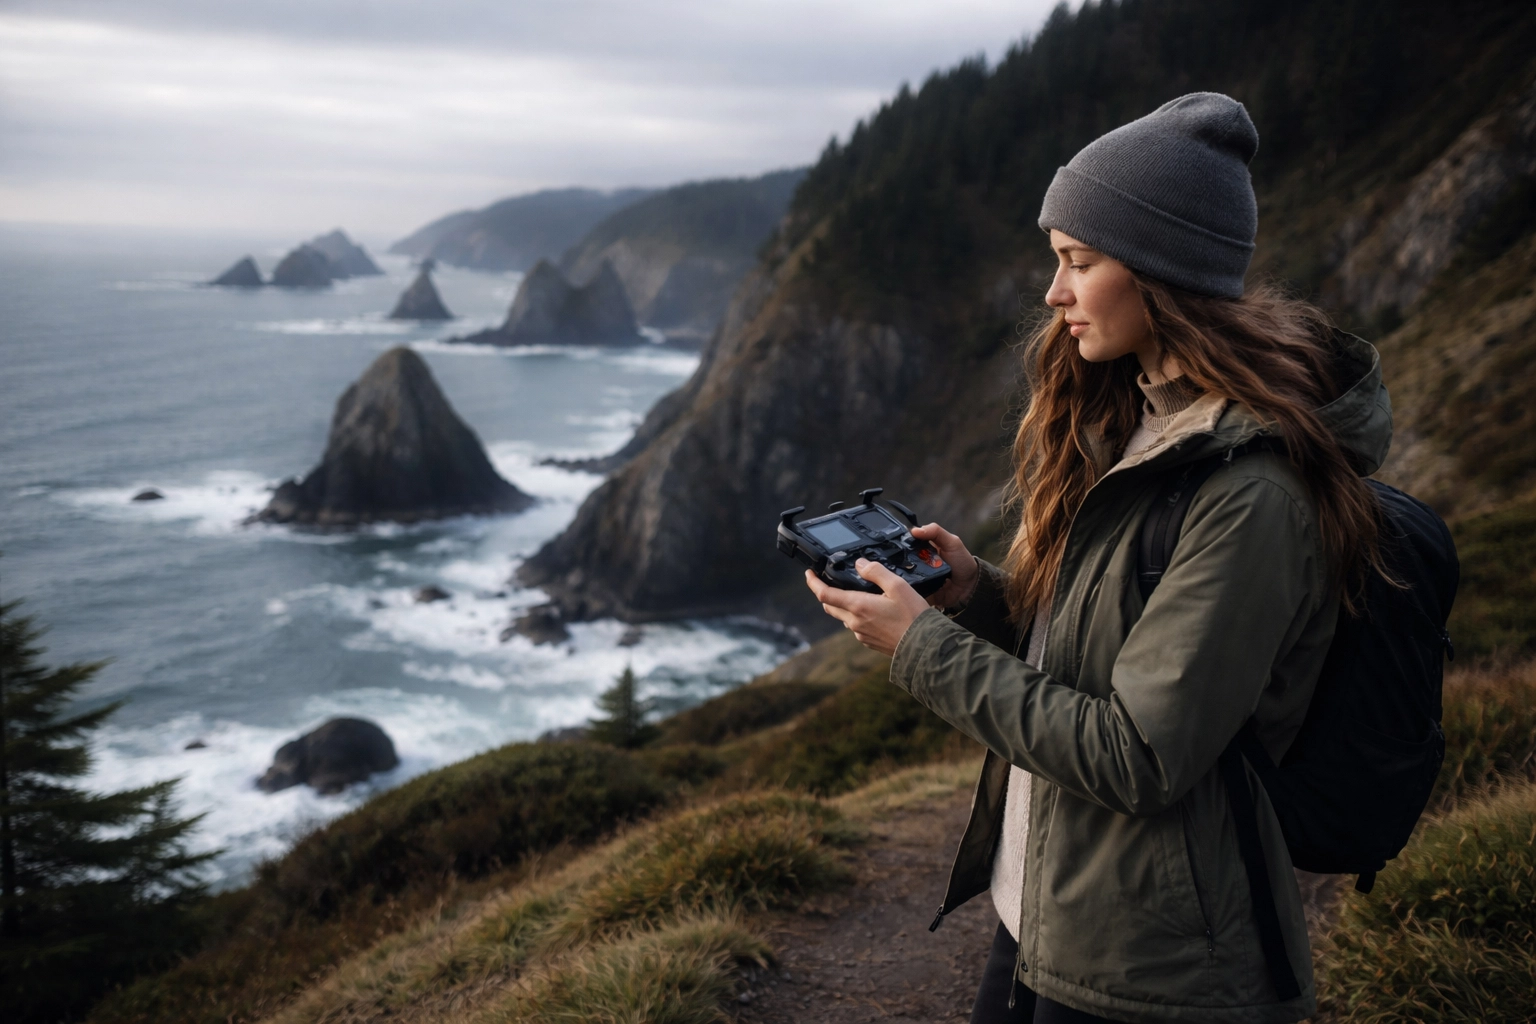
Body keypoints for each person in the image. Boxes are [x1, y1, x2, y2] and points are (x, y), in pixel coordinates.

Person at [804, 92, 1391, 1023]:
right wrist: (976, 597)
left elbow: (1139, 753)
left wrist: (922, 649)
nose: (1054, 293)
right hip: (1053, 904)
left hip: (1154, 966)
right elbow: (1106, 652)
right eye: (1056, 262)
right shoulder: (1145, 422)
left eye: (1079, 262)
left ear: (1164, 274)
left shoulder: (1251, 491)